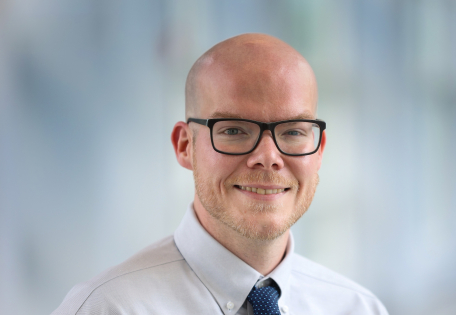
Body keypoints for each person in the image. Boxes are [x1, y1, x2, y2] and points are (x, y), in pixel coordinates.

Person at [52, 33, 388, 315]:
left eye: (293, 132)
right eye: (234, 130)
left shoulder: (358, 308)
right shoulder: (108, 307)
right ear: (185, 146)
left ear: (319, 151)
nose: (268, 157)